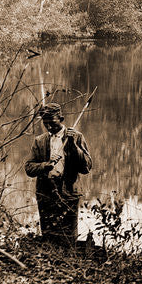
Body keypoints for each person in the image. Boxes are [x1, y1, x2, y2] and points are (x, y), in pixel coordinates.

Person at [24, 103, 93, 246]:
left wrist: (74, 146)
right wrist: (45, 165)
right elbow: (29, 168)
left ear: (61, 119)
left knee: (68, 238)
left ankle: (70, 264)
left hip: (69, 193)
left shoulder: (76, 137)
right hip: (45, 192)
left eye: (53, 123)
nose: (49, 127)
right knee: (49, 235)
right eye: (45, 123)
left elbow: (86, 168)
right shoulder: (40, 141)